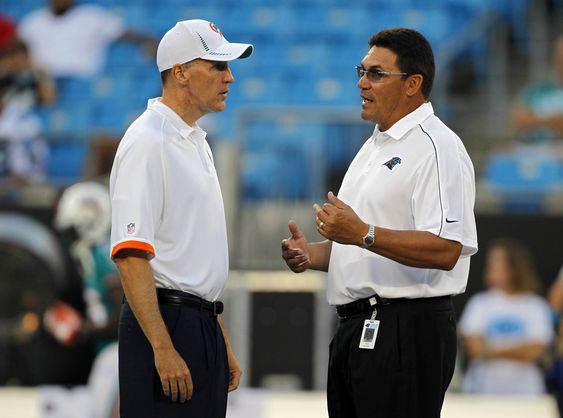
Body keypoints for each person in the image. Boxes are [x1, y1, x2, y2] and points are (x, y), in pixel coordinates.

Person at [281, 28, 478, 418]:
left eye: (376, 74)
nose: (361, 82)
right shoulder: (373, 145)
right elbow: (360, 245)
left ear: (412, 84)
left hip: (405, 328)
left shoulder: (438, 147)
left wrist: (363, 233)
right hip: (356, 327)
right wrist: (314, 255)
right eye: (361, 70)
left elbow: (447, 248)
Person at [109, 19, 252, 418]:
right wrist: (162, 346)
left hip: (197, 321)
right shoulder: (148, 142)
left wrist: (216, 335)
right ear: (181, 73)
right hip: (165, 324)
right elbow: (131, 255)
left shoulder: (192, 140)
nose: (230, 77)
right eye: (218, 67)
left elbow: (190, 258)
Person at [459, 238, 553, 395]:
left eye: (497, 263)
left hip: (526, 393)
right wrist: (518, 348)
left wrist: (489, 350)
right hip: (483, 391)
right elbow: (474, 349)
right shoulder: (479, 303)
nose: (489, 268)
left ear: (514, 268)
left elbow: (533, 352)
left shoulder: (536, 306)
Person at [17, 0, 157, 78]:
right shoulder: (32, 22)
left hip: (84, 80)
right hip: (42, 84)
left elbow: (125, 33)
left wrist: (157, 42)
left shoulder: (91, 16)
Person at [510, 34, 563, 143]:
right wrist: (554, 121)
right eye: (560, 58)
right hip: (537, 150)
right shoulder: (538, 90)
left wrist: (535, 119)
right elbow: (518, 120)